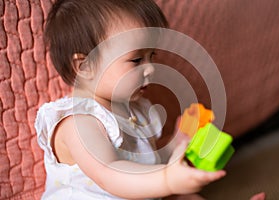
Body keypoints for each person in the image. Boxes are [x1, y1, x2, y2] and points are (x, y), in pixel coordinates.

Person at [35, 0, 263, 199]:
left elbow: (150, 162)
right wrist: (167, 180)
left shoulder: (136, 110)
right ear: (85, 66)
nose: (151, 68)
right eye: (136, 60)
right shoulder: (78, 121)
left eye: (151, 56)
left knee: (182, 196)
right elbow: (109, 173)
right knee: (173, 190)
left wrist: (176, 142)